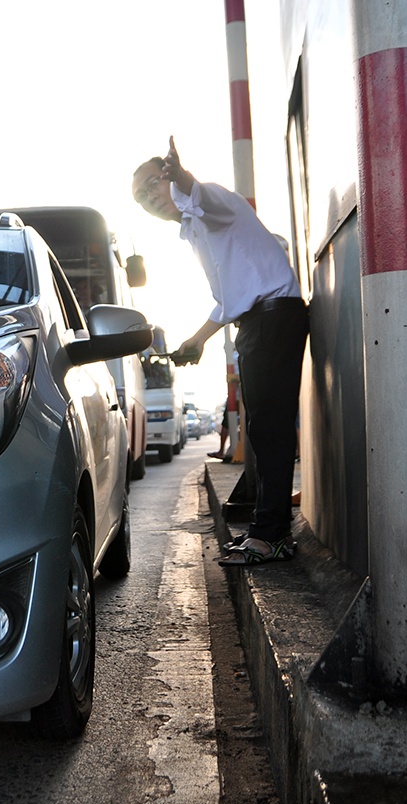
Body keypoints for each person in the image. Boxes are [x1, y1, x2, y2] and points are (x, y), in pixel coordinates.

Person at [132, 136, 308, 566]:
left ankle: (273, 537)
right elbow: (232, 297)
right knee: (263, 432)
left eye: (153, 184)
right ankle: (266, 531)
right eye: (140, 197)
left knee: (271, 430)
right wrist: (198, 340)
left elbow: (198, 192)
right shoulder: (196, 229)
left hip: (273, 319)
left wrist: (183, 177)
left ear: (169, 176)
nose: (149, 198)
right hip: (258, 322)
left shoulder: (212, 204)